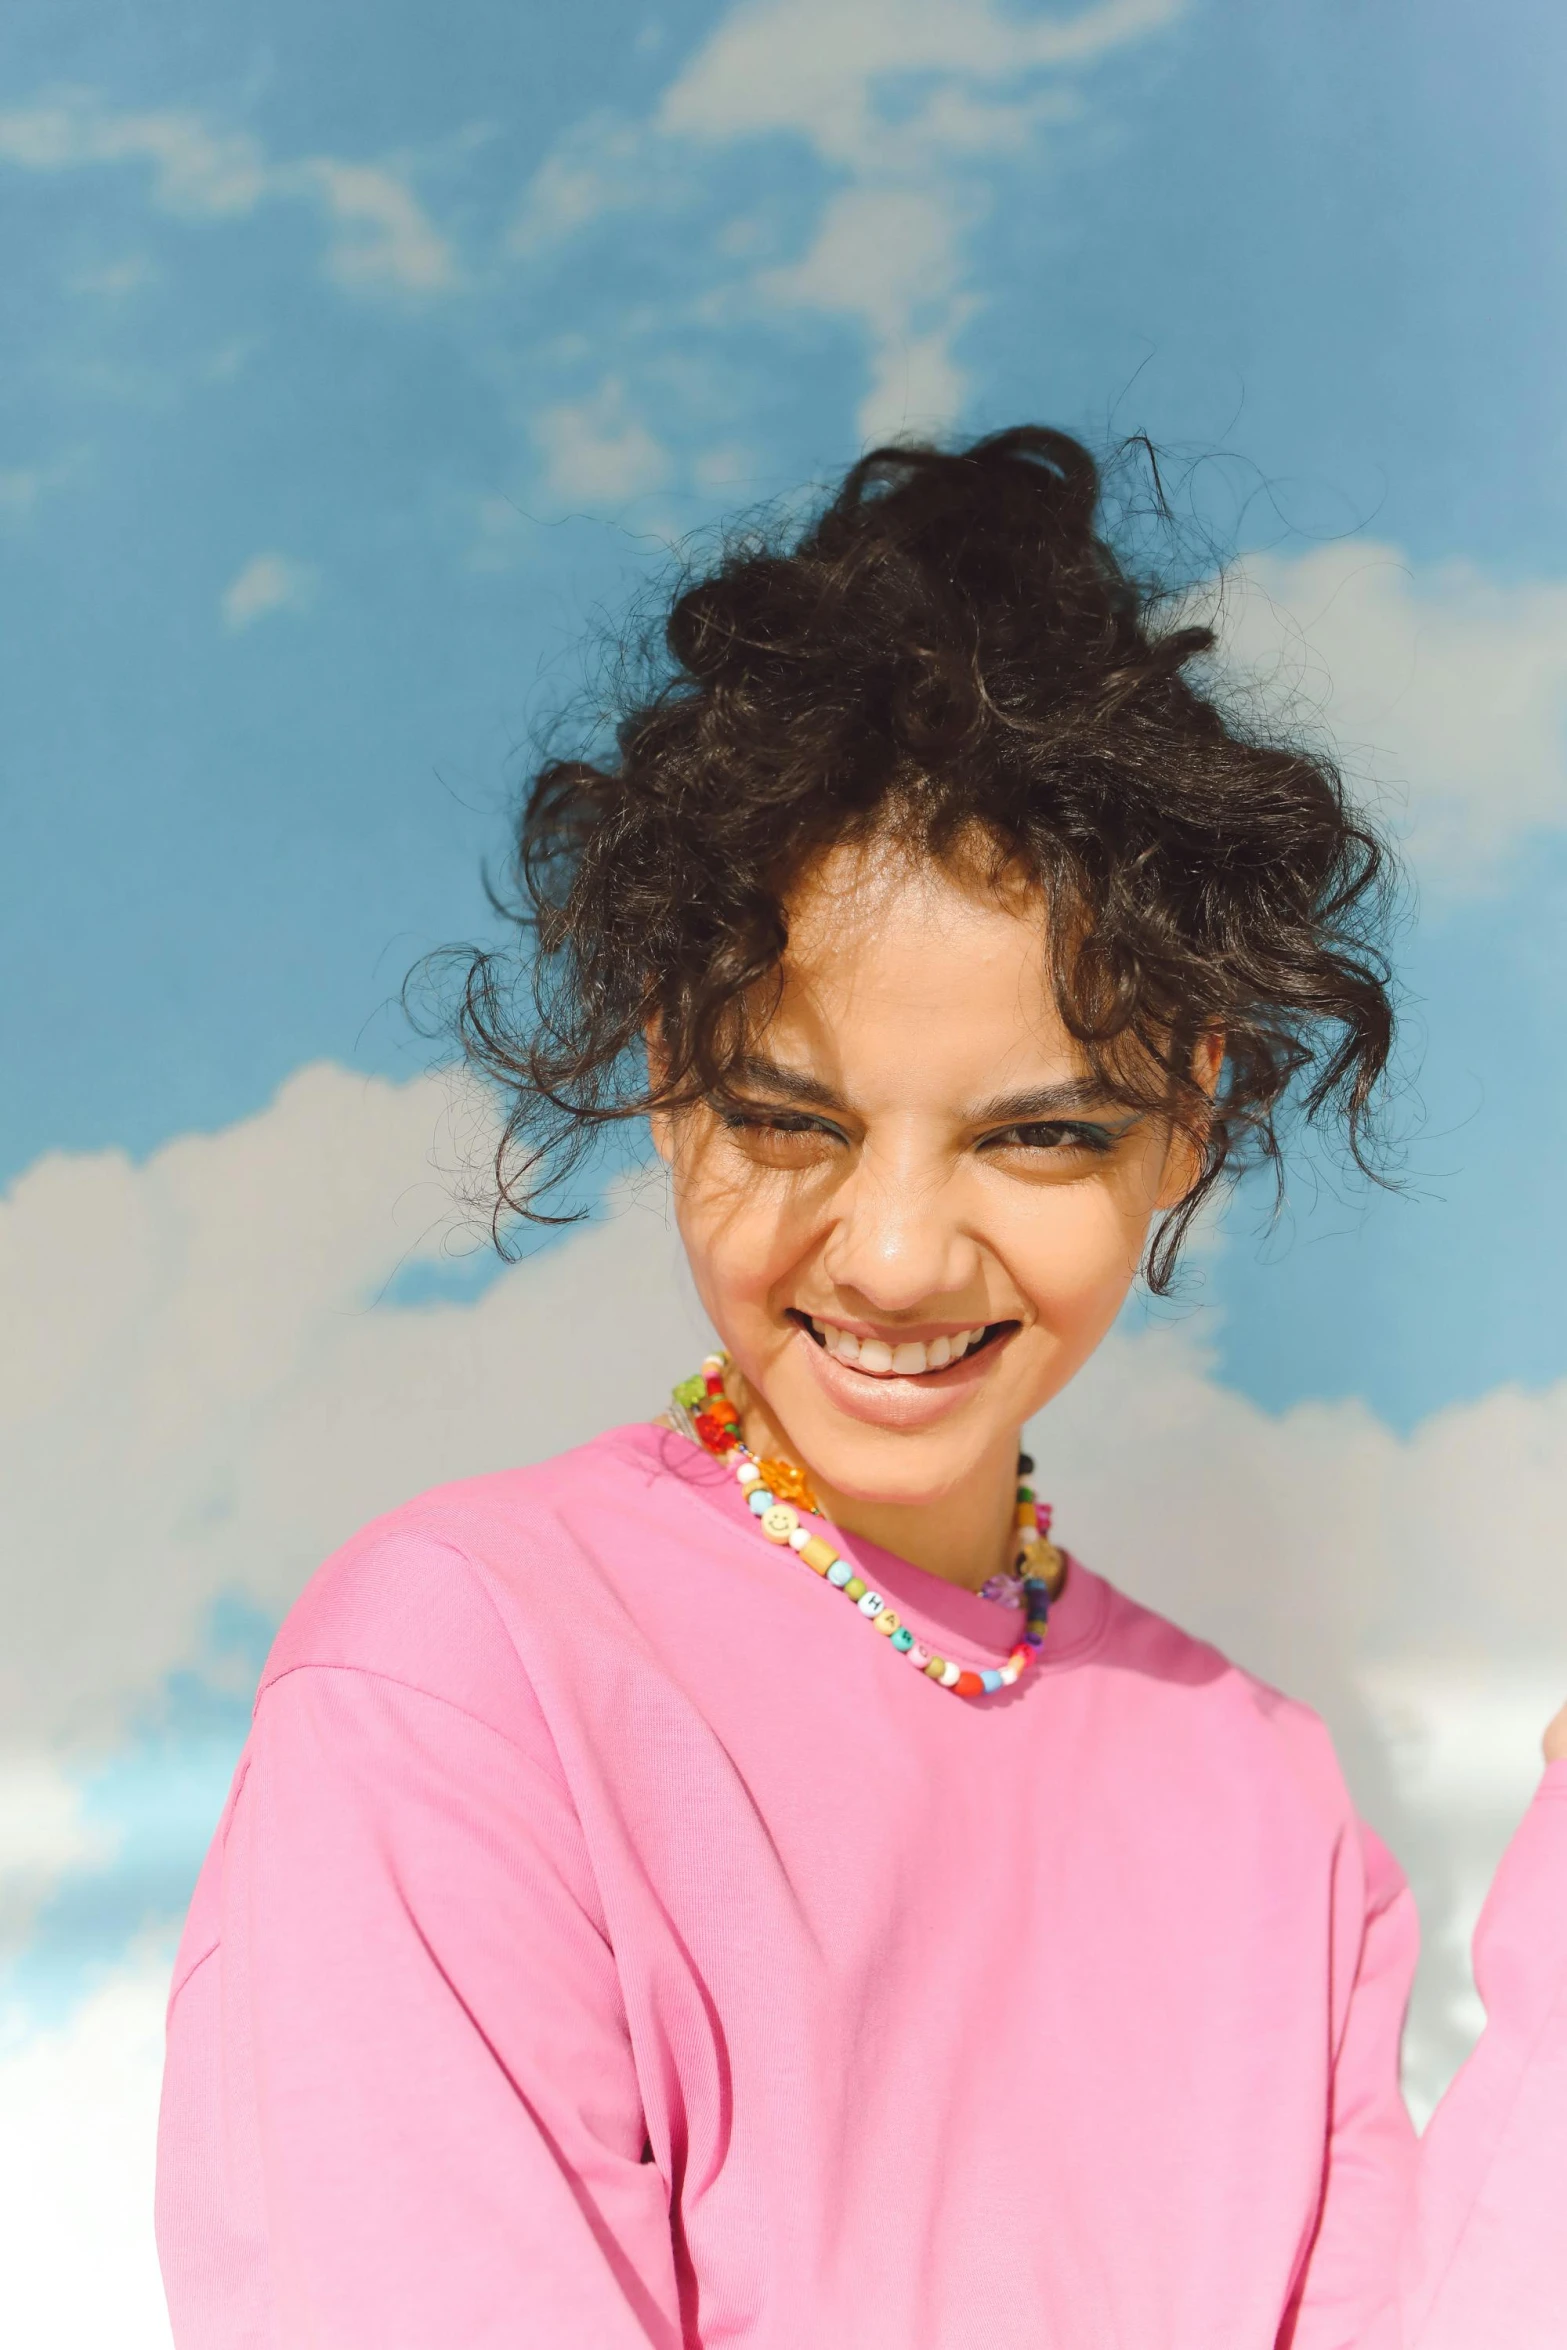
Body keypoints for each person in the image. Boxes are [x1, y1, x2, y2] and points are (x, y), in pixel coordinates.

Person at [154, 428, 1567, 2348]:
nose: (893, 1255)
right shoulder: (465, 1682)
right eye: (785, 1116)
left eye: (1041, 1134)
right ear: (665, 1080)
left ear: (1193, 1119)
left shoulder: (1267, 1799)